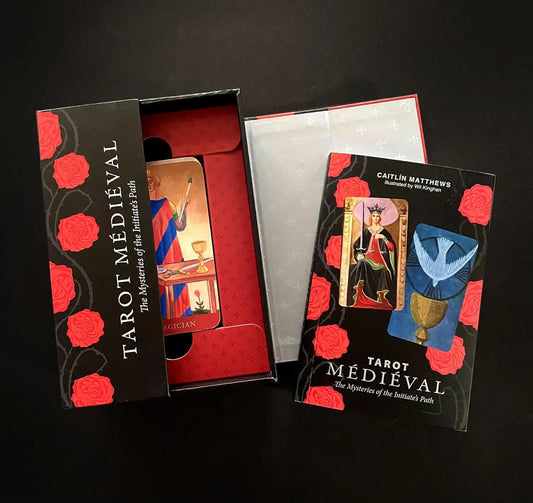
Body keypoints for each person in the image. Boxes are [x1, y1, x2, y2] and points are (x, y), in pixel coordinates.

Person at [147, 170, 193, 318]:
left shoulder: (168, 204)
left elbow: (179, 225)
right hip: (152, 253)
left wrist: (183, 208)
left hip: (170, 252)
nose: (148, 184)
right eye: (145, 181)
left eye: (150, 180)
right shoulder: (139, 206)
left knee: (173, 284)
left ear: (156, 182)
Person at [348, 204, 397, 309]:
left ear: (380, 218)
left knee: (384, 271)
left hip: (381, 262)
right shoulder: (366, 231)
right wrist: (358, 255)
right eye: (374, 216)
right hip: (367, 259)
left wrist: (384, 238)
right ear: (371, 217)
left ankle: (380, 299)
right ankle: (361, 296)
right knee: (361, 263)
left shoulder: (384, 232)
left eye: (377, 216)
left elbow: (391, 248)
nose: (376, 218)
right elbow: (357, 246)